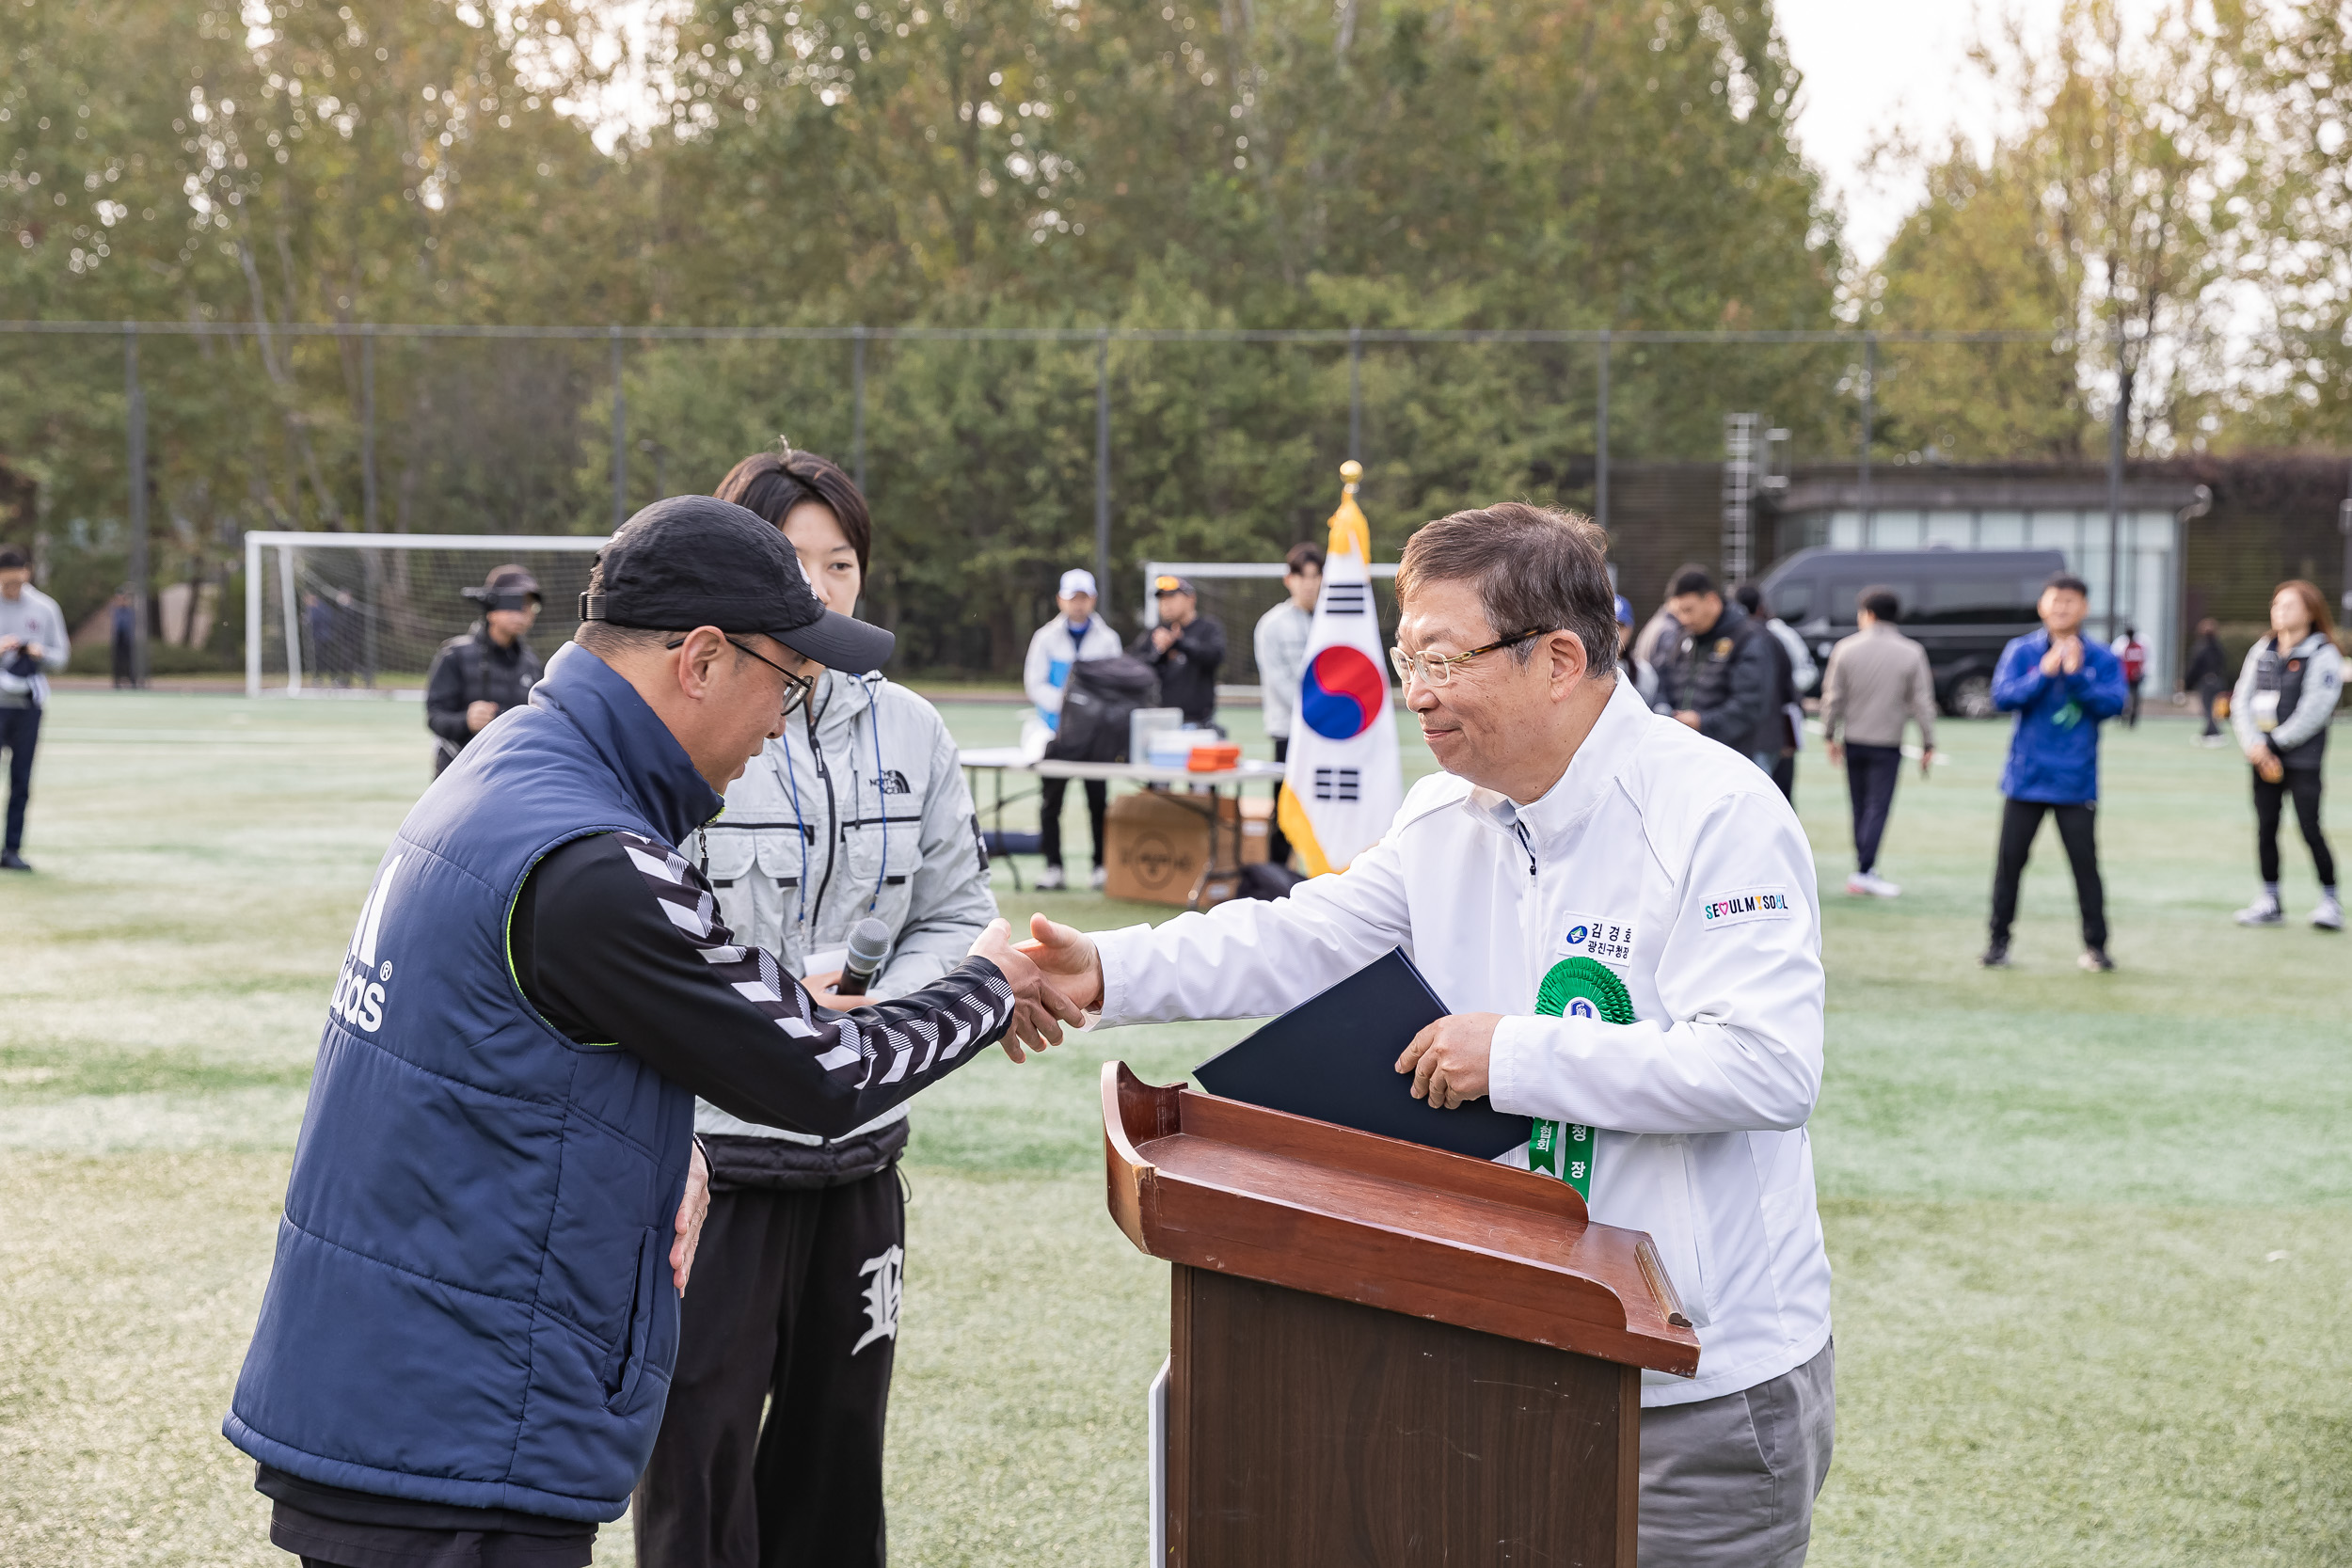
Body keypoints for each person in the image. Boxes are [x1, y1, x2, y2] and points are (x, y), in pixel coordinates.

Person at [222, 496, 1079, 1568]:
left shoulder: (515, 777)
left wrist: (657, 1141)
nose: (784, 718)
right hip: (454, 1436)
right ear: (704, 659)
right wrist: (988, 987)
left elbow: (510, 1055)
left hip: (401, 1396)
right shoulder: (591, 857)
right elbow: (821, 1072)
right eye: (788, 678)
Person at [1023, 502, 1835, 1566]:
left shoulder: (1717, 811)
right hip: (1502, 1335)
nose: (1416, 691)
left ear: (1559, 657)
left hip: (1696, 1385)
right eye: (1406, 655)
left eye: (1444, 656)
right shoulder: (1443, 811)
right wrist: (1108, 968)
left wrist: (1509, 1053)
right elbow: (1301, 936)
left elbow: (1764, 1066)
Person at [637, 449, 1003, 1568]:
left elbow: (961, 913)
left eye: (840, 562)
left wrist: (870, 1012)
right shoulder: (685, 725)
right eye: (795, 561)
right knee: (694, 1465)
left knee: (837, 1458)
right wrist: (767, 1006)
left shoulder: (913, 731)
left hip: (856, 1157)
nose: (824, 585)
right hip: (714, 1166)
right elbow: (638, 928)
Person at [1982, 572, 2129, 972]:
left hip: (2075, 781)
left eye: (2071, 601)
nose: (2062, 608)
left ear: (2085, 608)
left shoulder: (2100, 656)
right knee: (2009, 864)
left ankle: (2096, 947)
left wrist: (2077, 675)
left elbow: (2115, 704)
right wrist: (2043, 674)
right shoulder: (2022, 651)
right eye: (2055, 600)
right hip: (2025, 779)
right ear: (2042, 606)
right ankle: (1997, 943)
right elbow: (2001, 696)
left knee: (2085, 868)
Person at [2229, 579, 2343, 930]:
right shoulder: (2263, 649)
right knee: (2266, 828)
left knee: (2310, 828)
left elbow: (2315, 710)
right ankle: (2270, 900)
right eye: (2276, 604)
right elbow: (2240, 700)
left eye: (2289, 605)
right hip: (2262, 758)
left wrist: (2273, 744)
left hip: (2302, 761)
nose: (2280, 611)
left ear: (2310, 611)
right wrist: (2254, 745)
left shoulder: (2323, 654)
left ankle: (2330, 902)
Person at [1820, 586, 1937, 898]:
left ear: (1868, 614)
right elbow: (1922, 703)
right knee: (1877, 807)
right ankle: (1864, 870)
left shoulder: (1845, 648)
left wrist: (1829, 734)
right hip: (1888, 741)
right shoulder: (1911, 651)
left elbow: (1833, 698)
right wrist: (1928, 743)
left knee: (1859, 806)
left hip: (1854, 738)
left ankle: (1864, 867)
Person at [1023, 566, 1123, 890]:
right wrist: (1066, 708)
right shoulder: (1045, 638)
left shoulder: (1107, 640)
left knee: (1098, 801)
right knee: (1052, 801)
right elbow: (1034, 683)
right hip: (1056, 734)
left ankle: (1100, 866)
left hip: (1095, 737)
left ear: (1092, 599)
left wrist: (1088, 712)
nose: (1078, 604)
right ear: (1061, 600)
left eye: (1083, 597)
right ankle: (1054, 867)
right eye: (1072, 598)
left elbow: (1116, 685)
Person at [423, 564, 545, 775]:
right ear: (492, 607)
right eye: (516, 602)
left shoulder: (531, 663)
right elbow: (435, 717)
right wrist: (466, 721)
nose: (524, 612)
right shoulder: (455, 655)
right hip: (458, 772)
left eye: (530, 605)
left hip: (511, 774)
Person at [1657, 565, 1777, 772]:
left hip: (1733, 759)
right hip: (1687, 755)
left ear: (1711, 601)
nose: (1683, 619)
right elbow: (1664, 680)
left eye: (1688, 610)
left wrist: (1702, 722)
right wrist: (1664, 712)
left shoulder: (1748, 638)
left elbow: (1750, 704)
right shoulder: (1683, 638)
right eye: (1677, 612)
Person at [1253, 543, 1324, 869]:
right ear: (1289, 579)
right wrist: (1315, 713)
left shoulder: (1333, 622)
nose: (1309, 583)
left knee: (1324, 806)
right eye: (1302, 576)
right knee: (1285, 808)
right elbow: (1280, 682)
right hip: (1289, 731)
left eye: (1315, 575)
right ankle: (1277, 876)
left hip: (1328, 733)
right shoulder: (1272, 624)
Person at [0, 545, 70, 873]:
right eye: (5, 583)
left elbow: (62, 657)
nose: (11, 589)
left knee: (21, 780)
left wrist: (40, 652)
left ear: (27, 573)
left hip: (28, 706)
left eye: (16, 582)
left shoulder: (44, 608)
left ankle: (11, 849)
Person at [1735, 582, 1814, 802]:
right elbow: (1792, 685)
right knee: (1769, 796)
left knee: (1756, 797)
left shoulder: (1756, 637)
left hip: (1750, 732)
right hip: (1769, 731)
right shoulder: (1774, 636)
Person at [1133, 573, 1225, 727]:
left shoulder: (1208, 628)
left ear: (1191, 598)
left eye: (1171, 597)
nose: (1165, 604)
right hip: (1161, 720)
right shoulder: (1156, 633)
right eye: (1162, 599)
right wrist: (1160, 653)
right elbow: (1135, 664)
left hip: (1198, 722)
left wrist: (1179, 644)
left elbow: (1215, 656)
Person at [2184, 618, 2229, 746]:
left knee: (2208, 709)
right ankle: (2207, 733)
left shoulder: (2200, 647)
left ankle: (2214, 734)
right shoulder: (2218, 646)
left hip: (2206, 682)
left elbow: (2194, 667)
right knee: (2212, 709)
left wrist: (2187, 683)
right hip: (2218, 681)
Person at [1615, 594, 1659, 707]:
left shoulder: (1645, 674)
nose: (1614, 633)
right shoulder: (1584, 672)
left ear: (1630, 630)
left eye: (1620, 626)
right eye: (1607, 626)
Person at [2111, 623, 2150, 727]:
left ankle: (2131, 718)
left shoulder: (2140, 644)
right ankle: (2123, 716)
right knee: (2126, 696)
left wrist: (2143, 672)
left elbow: (2145, 660)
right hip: (2125, 676)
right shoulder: (2121, 643)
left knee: (2134, 697)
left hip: (2134, 676)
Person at [109, 591, 135, 688]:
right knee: (117, 661)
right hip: (118, 639)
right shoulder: (115, 610)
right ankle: (117, 681)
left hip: (127, 639)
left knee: (129, 661)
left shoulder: (129, 611)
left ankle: (132, 681)